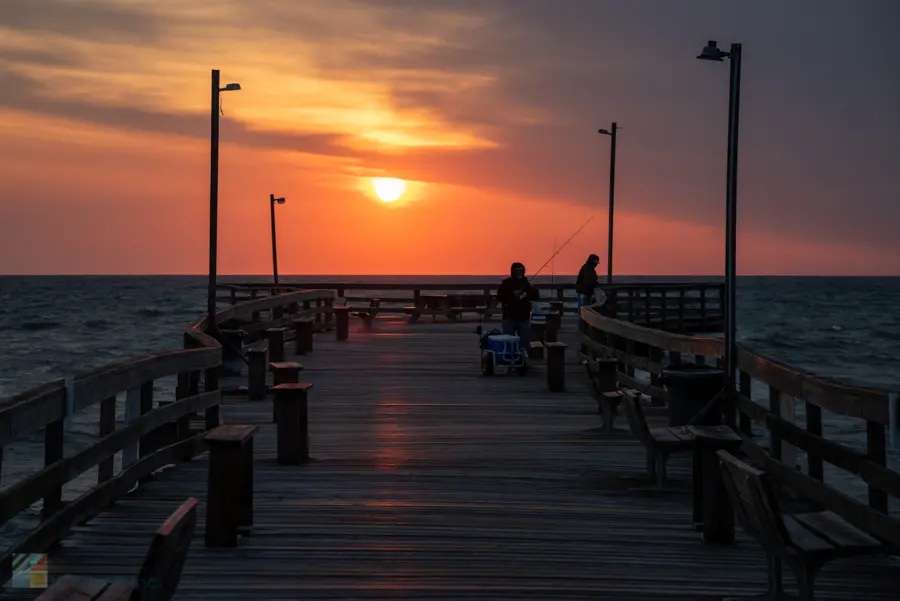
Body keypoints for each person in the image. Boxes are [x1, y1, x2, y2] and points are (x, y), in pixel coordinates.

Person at [496, 262, 539, 345]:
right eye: (517, 271)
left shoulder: (526, 283)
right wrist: (513, 294)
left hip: (523, 317)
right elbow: (499, 297)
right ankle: (509, 357)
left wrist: (528, 294)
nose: (519, 273)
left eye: (521, 270)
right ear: (513, 271)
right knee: (508, 342)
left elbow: (534, 296)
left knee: (525, 342)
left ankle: (523, 356)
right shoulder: (506, 283)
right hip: (509, 317)